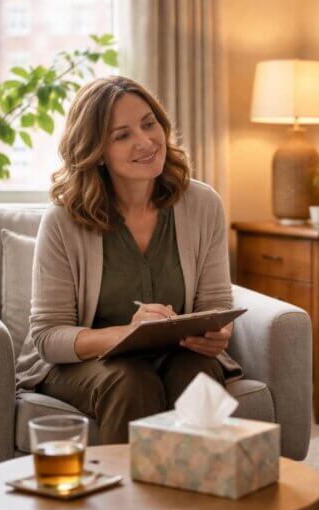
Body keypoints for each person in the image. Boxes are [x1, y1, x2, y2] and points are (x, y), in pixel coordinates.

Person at [14, 76, 242, 443]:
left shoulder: (203, 204)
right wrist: (127, 336)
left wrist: (219, 333)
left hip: (175, 354)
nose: (145, 141)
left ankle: (200, 495)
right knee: (131, 380)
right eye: (122, 135)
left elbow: (215, 301)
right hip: (82, 365)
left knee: (198, 372)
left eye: (149, 124)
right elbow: (48, 336)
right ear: (96, 151)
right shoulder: (62, 221)